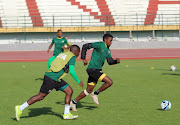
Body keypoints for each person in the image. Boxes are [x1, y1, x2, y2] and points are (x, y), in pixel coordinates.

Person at [15, 45, 84, 120]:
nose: (78, 54)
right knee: (41, 96)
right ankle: (20, 108)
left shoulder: (62, 54)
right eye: (78, 52)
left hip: (56, 78)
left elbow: (50, 60)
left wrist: (50, 70)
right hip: (52, 78)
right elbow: (71, 71)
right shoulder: (72, 57)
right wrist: (78, 81)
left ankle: (66, 114)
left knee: (69, 91)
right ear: (76, 51)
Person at [70, 34, 120, 111]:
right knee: (109, 82)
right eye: (110, 40)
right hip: (93, 70)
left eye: (112, 41)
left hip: (96, 70)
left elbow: (110, 62)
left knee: (88, 90)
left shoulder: (108, 50)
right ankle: (95, 93)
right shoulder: (100, 44)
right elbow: (85, 46)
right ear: (105, 40)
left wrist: (116, 61)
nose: (111, 42)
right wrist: (83, 58)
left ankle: (73, 102)